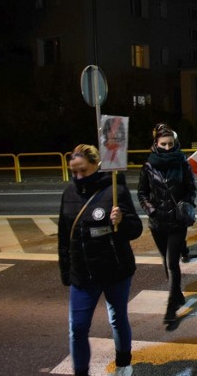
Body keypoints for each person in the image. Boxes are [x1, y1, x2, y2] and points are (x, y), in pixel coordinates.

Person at [58, 144, 143, 376]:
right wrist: (67, 273)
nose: (78, 176)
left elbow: (135, 229)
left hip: (115, 271)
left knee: (117, 318)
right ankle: (81, 371)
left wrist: (122, 219)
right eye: (73, 172)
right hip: (82, 275)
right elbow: (64, 238)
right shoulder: (68, 194)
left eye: (83, 170)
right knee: (77, 328)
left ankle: (124, 363)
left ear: (97, 165)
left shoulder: (115, 190)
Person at [137, 124, 197, 324]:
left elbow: (191, 189)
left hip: (177, 222)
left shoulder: (182, 163)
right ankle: (177, 293)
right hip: (157, 223)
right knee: (165, 260)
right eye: (163, 144)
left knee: (172, 262)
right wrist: (151, 210)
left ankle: (172, 306)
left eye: (170, 143)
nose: (167, 147)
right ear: (156, 144)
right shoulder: (148, 166)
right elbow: (142, 193)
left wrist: (186, 204)